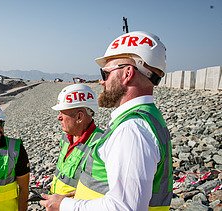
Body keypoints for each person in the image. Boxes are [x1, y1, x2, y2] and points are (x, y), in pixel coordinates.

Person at [40, 31, 173, 210]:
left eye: (105, 73)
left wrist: (64, 205)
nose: (102, 82)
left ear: (127, 73)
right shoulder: (146, 120)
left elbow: (125, 207)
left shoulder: (131, 129)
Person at [50, 84, 103, 196]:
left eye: (62, 113)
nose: (58, 117)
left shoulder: (100, 145)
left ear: (79, 117)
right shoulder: (66, 137)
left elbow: (102, 190)